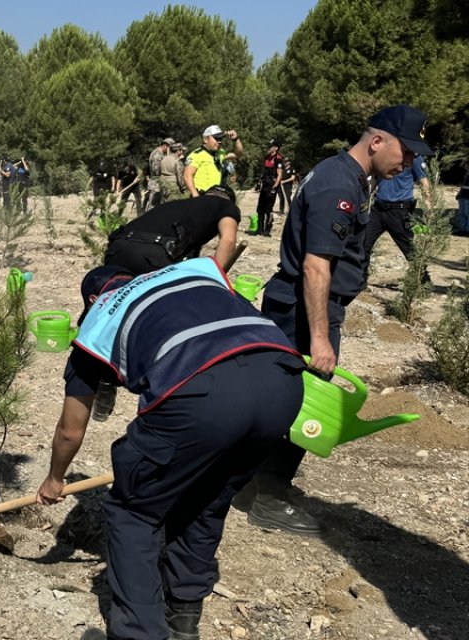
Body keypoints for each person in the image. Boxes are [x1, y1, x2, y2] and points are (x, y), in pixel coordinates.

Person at [39, 259, 305, 640]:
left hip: (202, 391)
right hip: (283, 378)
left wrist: (54, 479)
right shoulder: (188, 272)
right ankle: (183, 618)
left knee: (134, 512)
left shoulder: (99, 317)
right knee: (208, 495)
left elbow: (70, 430)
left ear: (95, 298)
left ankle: (138, 634)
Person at [239, 105, 433, 536]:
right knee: (305, 401)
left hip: (304, 305)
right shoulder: (339, 183)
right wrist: (321, 339)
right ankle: (269, 498)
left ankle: (252, 486)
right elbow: (315, 266)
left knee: (283, 398)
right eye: (406, 151)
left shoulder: (350, 176)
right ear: (377, 140)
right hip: (304, 308)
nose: (409, 163)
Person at [103, 185, 240, 275]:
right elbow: (228, 240)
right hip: (151, 256)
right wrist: (215, 279)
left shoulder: (179, 204)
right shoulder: (226, 205)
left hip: (117, 248)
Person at [361, 152, 433, 283]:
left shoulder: (413, 157)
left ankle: (424, 281)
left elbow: (424, 181)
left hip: (399, 211)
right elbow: (375, 179)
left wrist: (429, 206)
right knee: (363, 243)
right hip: (378, 209)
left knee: (408, 248)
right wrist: (363, 197)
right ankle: (359, 279)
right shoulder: (385, 155)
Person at [184, 125, 244, 197]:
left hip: (215, 195)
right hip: (201, 196)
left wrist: (236, 139)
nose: (219, 142)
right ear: (205, 139)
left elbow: (238, 154)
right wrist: (195, 195)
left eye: (220, 139)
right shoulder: (196, 155)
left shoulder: (219, 153)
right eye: (216, 138)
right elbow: (187, 176)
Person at [255, 139, 285, 237]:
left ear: (276, 148)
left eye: (271, 146)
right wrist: (259, 183)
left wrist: (274, 187)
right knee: (260, 208)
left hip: (272, 185)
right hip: (265, 184)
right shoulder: (266, 158)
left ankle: (267, 230)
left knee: (268, 209)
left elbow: (279, 175)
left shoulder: (278, 159)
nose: (269, 148)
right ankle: (259, 229)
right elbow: (263, 171)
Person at [145, 138, 173, 209]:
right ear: (165, 146)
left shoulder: (161, 154)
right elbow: (156, 171)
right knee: (153, 207)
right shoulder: (157, 155)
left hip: (159, 183)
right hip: (156, 184)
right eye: (170, 148)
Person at [455, 171, 469, 237]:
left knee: (467, 213)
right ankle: (462, 230)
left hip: (467, 196)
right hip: (463, 196)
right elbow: (463, 185)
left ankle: (467, 230)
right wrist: (459, 193)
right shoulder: (466, 175)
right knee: (461, 213)